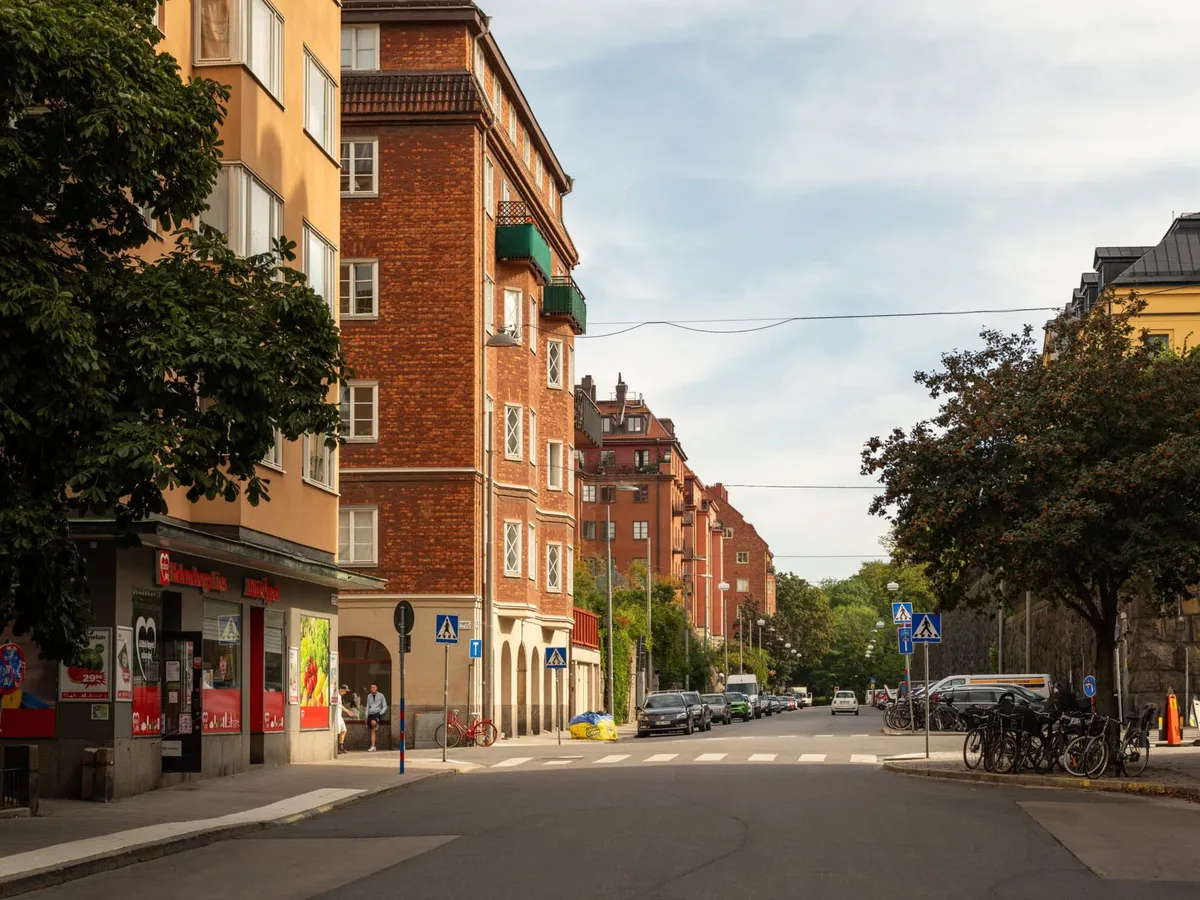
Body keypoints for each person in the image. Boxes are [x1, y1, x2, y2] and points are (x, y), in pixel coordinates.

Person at [365, 682, 387, 751]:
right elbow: (367, 706)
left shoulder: (381, 695)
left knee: (373, 723)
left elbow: (385, 706)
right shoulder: (369, 696)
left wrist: (380, 713)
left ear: (377, 688)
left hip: (377, 713)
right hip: (370, 713)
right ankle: (373, 746)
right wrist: (366, 716)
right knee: (372, 730)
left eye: (374, 687)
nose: (372, 689)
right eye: (371, 687)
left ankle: (376, 723)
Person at [336, 684, 351, 754]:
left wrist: (347, 711)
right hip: (336, 716)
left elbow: (340, 705)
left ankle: (340, 747)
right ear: (342, 689)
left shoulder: (340, 696)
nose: (345, 693)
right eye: (345, 691)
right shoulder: (336, 695)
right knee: (337, 732)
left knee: (344, 730)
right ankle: (336, 748)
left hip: (340, 716)